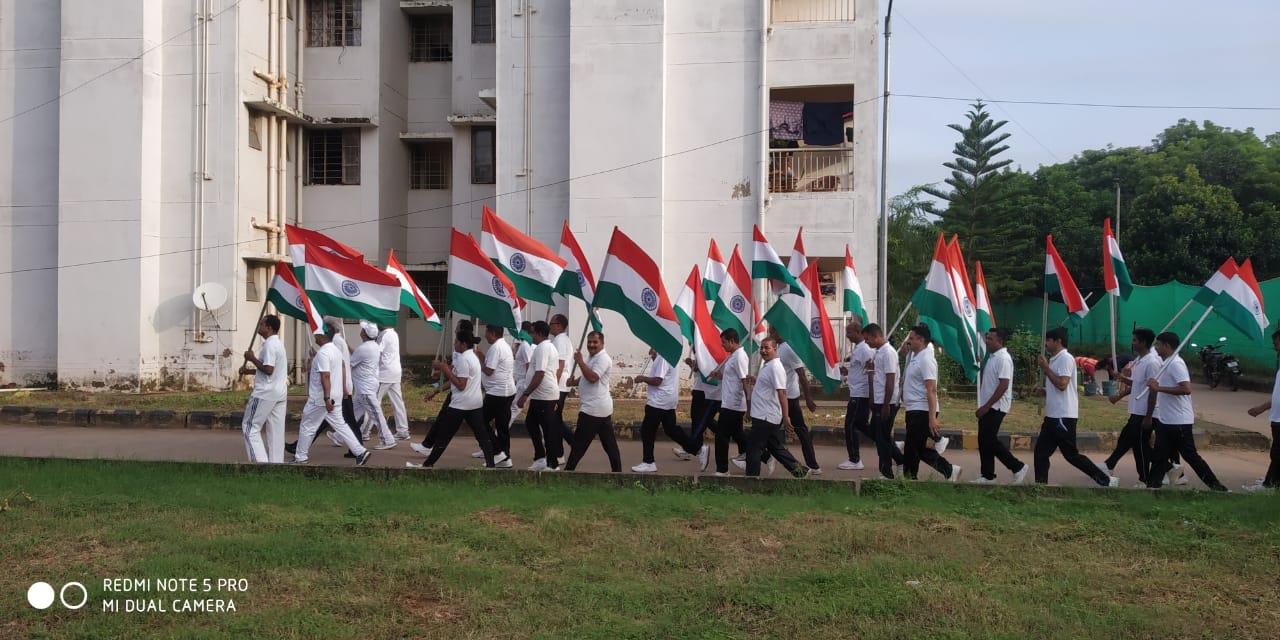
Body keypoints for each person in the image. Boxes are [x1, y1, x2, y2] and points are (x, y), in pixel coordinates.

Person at [1143, 332, 1227, 491]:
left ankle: (1217, 487)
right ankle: (1153, 487)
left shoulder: (1176, 363)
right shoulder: (1166, 363)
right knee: (1159, 455)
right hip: (1167, 420)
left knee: (1191, 456)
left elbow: (1186, 389)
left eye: (1158, 345)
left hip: (1179, 421)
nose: (1156, 348)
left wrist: (1158, 387)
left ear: (1167, 346)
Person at [1033, 327, 1116, 487]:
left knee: (1071, 455)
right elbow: (1058, 386)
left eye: (1048, 340)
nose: (1046, 344)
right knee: (1041, 452)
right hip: (1053, 415)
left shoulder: (1065, 358)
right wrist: (1044, 390)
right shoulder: (1054, 359)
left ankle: (1105, 480)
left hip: (1063, 416)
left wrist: (1045, 369)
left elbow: (1062, 384)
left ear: (1058, 341)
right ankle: (1040, 486)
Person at [406, 329, 496, 469]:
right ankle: (491, 466)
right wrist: (437, 390)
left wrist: (444, 368)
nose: (454, 344)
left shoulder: (464, 359)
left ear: (463, 344)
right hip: (474, 403)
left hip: (461, 404)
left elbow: (461, 385)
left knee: (444, 436)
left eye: (456, 341)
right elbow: (456, 380)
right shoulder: (471, 356)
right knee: (482, 436)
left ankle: (427, 465)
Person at [292, 326, 370, 466]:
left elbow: (325, 376)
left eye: (317, 333)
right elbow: (339, 369)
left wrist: (327, 398)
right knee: (341, 425)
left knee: (307, 426)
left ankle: (300, 457)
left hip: (321, 398)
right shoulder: (334, 350)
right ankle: (360, 452)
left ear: (323, 335)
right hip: (336, 395)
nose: (315, 335)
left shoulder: (324, 353)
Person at [1101, 328, 1163, 485]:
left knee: (1133, 443)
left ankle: (1112, 466)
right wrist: (1121, 378)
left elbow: (1153, 390)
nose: (1132, 343)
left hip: (1145, 412)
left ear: (1143, 343)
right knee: (1136, 444)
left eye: (1135, 340)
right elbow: (1138, 384)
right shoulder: (1140, 360)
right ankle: (1163, 471)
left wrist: (1149, 416)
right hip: (1137, 409)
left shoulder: (1152, 362)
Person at [633, 348, 709, 473]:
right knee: (671, 430)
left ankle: (648, 462)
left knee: (647, 431)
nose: (650, 346)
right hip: (667, 400)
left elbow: (658, 380)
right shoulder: (667, 354)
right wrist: (654, 357)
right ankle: (699, 450)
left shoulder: (663, 356)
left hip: (659, 401)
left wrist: (642, 378)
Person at [900, 324, 960, 481]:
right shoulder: (915, 356)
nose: (908, 341)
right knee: (918, 448)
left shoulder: (927, 359)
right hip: (913, 409)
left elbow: (931, 390)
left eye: (911, 339)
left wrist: (932, 418)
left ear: (921, 340)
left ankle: (910, 478)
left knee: (912, 448)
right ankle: (949, 470)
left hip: (923, 410)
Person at [744, 338, 808, 478]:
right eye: (761, 348)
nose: (763, 351)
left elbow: (782, 393)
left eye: (767, 348)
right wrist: (755, 380)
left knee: (753, 448)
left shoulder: (775, 367)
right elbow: (768, 386)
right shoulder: (768, 365)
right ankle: (800, 471)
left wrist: (786, 417)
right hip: (763, 415)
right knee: (775, 447)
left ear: (775, 349)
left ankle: (751, 479)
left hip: (765, 416)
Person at [972, 327, 1027, 484]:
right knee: (984, 440)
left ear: (999, 341)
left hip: (996, 406)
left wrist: (987, 406)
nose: (987, 341)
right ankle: (988, 475)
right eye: (987, 338)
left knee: (989, 439)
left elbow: (1003, 385)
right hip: (988, 405)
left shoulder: (1003, 358)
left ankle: (1017, 466)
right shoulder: (992, 357)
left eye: (990, 339)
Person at [565, 331, 620, 472]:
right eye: (589, 342)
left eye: (595, 342)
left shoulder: (603, 359)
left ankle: (567, 473)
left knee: (578, 445)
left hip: (593, 410)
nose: (591, 345)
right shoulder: (592, 357)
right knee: (610, 445)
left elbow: (593, 377)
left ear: (602, 343)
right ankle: (618, 473)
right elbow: (586, 376)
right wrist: (574, 381)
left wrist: (580, 362)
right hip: (599, 408)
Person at [771, 327, 822, 474]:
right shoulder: (780, 347)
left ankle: (812, 465)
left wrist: (808, 399)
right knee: (770, 430)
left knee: (800, 430)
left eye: (773, 331)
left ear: (781, 332)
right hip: (779, 397)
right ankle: (770, 456)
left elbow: (802, 376)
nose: (771, 334)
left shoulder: (789, 349)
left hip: (789, 398)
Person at [239, 314, 288, 463]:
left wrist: (252, 358)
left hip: (265, 392)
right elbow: (271, 369)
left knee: (250, 427)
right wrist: (248, 371)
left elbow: (268, 370)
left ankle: (260, 465)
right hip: (279, 392)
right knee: (276, 431)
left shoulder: (269, 345)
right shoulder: (278, 343)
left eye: (261, 324)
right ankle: (276, 464)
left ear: (269, 327)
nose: (259, 327)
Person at [516, 321, 562, 471]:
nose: (530, 335)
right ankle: (541, 458)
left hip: (546, 397)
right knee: (531, 424)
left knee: (548, 430)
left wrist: (525, 394)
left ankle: (552, 463)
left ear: (539, 334)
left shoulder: (543, 348)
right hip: (540, 396)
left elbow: (540, 373)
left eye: (532, 332)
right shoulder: (546, 347)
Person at [865, 323, 905, 479]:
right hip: (879, 400)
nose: (866, 343)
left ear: (876, 336)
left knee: (882, 438)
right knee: (879, 434)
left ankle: (886, 473)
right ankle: (900, 460)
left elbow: (890, 379)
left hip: (886, 402)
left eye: (868, 339)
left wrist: (886, 405)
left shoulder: (888, 352)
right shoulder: (879, 352)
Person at [351, 321, 398, 450]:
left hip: (365, 388)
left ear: (364, 333)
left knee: (377, 415)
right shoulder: (373, 346)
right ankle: (339, 436)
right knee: (352, 414)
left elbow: (351, 362)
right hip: (366, 387)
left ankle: (387, 440)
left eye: (362, 330)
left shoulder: (364, 348)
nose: (360, 331)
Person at [712, 329, 753, 477]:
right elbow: (733, 377)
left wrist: (749, 407)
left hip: (733, 404)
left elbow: (745, 381)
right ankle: (765, 456)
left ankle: (722, 469)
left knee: (721, 437)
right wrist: (720, 376)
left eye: (723, 343)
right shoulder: (733, 356)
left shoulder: (740, 357)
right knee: (737, 434)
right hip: (729, 402)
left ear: (731, 341)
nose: (722, 346)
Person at [1244, 329, 1280, 492]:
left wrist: (1262, 408)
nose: (1275, 348)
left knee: (1277, 453)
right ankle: (1272, 481)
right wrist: (1262, 408)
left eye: (1276, 344)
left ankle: (1269, 484)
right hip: (1277, 417)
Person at [838, 320, 874, 471]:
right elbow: (859, 370)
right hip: (857, 393)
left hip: (860, 395)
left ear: (859, 333)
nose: (847, 336)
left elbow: (871, 370)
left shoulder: (864, 349)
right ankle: (889, 444)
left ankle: (854, 459)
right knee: (862, 426)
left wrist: (871, 396)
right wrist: (846, 372)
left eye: (849, 332)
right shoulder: (858, 349)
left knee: (851, 426)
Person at [478, 325, 516, 468]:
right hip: (505, 391)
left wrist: (479, 361)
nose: (485, 335)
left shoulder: (496, 348)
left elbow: (488, 370)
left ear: (493, 333)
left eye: (486, 333)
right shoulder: (502, 345)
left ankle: (498, 451)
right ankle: (506, 457)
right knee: (502, 426)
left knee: (481, 421)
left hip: (497, 393)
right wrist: (482, 356)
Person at [679, 354, 722, 462]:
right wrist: (692, 364)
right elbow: (697, 370)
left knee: (699, 419)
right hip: (699, 388)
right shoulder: (698, 350)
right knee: (701, 419)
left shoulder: (703, 348)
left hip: (704, 390)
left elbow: (701, 368)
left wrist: (690, 363)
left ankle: (692, 447)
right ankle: (694, 446)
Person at [377, 322, 410, 440]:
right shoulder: (393, 333)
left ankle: (363, 431)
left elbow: (376, 352)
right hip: (395, 371)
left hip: (384, 373)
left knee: (372, 403)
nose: (376, 324)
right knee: (398, 402)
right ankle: (403, 430)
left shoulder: (384, 335)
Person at [550, 314, 575, 449]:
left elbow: (559, 365)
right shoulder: (562, 340)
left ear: (558, 325)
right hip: (560, 384)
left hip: (558, 385)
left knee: (555, 419)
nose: (550, 327)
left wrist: (552, 387)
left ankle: (574, 443)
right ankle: (558, 452)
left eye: (551, 324)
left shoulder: (560, 340)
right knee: (555, 419)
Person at [509, 321, 534, 431]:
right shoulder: (523, 345)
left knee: (513, 409)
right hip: (521, 381)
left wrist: (526, 388)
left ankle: (498, 438)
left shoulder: (525, 346)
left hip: (523, 382)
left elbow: (529, 366)